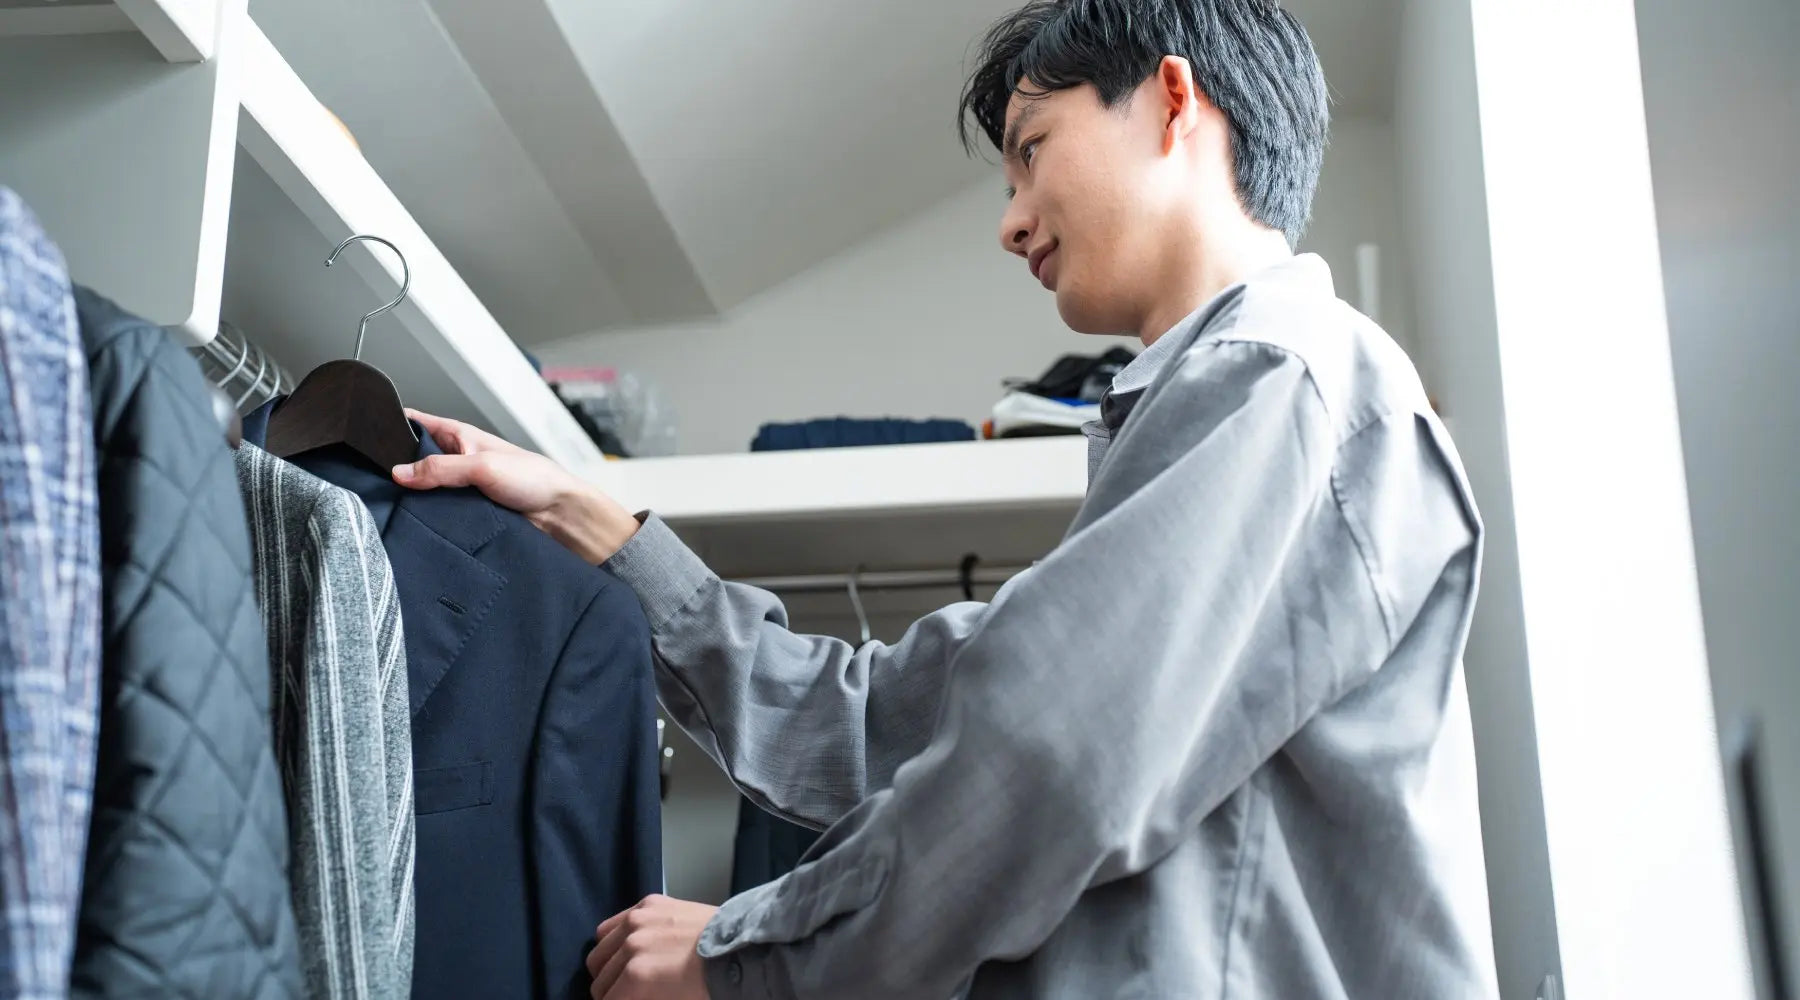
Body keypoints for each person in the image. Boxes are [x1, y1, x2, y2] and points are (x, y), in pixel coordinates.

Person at [395, 0, 1501, 996]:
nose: (1011, 221)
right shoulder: (1217, 414)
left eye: (1031, 153)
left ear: (1172, 101)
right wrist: (597, 524)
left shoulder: (1281, 378)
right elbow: (895, 717)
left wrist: (748, 952)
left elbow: (1044, 760)